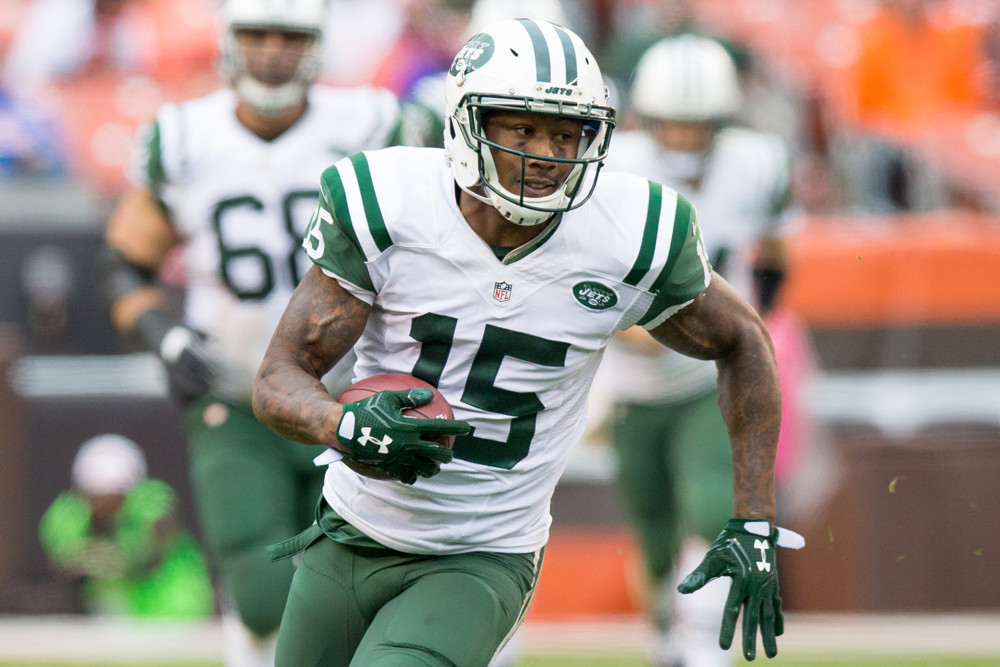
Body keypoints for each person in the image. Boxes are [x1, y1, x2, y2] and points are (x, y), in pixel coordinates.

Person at [252, 18, 803, 666]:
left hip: (481, 552)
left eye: (567, 131)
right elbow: (278, 378)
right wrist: (344, 423)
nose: (548, 152)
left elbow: (744, 340)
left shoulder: (628, 233)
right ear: (469, 124)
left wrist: (754, 516)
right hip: (349, 532)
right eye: (524, 129)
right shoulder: (389, 203)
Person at [97, 0, 408, 664]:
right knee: (263, 591)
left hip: (351, 391)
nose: (271, 50)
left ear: (318, 45)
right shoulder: (183, 137)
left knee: (358, 587)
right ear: (229, 42)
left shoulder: (373, 124)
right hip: (237, 395)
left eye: (290, 35)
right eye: (257, 34)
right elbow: (125, 263)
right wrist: (164, 336)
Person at [591, 33, 797, 667]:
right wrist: (626, 328)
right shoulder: (610, 168)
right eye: (672, 125)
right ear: (647, 119)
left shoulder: (758, 164)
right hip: (626, 379)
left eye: (698, 125)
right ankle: (667, 635)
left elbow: (775, 254)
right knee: (653, 537)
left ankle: (704, 650)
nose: (683, 139)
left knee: (712, 506)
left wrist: (743, 329)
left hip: (707, 371)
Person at [38, 433, 214, 618]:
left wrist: (111, 559)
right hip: (105, 616)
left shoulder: (153, 504)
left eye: (114, 498)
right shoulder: (67, 514)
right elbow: (62, 565)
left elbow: (152, 554)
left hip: (173, 611)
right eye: (97, 498)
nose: (104, 507)